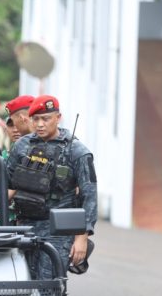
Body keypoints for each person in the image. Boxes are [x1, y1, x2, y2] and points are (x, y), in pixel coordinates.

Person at [6, 95, 97, 280]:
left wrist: (82, 238)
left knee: (49, 288)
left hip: (58, 231)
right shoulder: (22, 145)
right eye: (36, 119)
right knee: (22, 285)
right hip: (24, 227)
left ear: (58, 118)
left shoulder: (77, 151)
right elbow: (6, 184)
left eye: (45, 119)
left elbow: (89, 196)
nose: (40, 124)